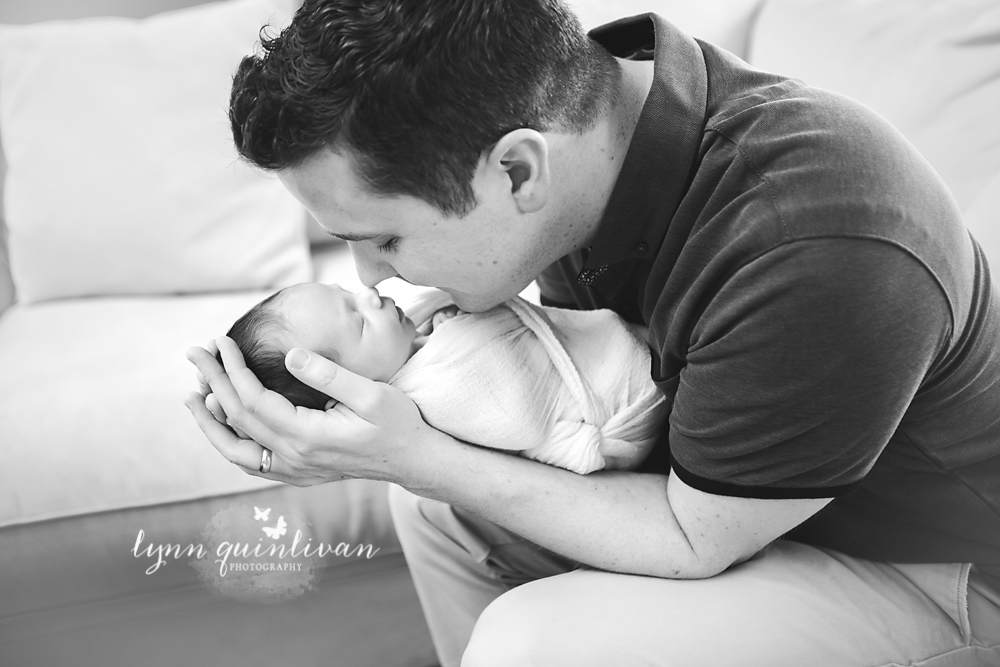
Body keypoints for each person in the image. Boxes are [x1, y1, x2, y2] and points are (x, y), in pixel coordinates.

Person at [184, 1, 1000, 665]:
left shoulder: (812, 238)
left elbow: (695, 536)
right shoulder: (594, 130)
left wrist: (418, 456)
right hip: (763, 505)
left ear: (516, 170)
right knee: (439, 510)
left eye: (385, 238)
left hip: (938, 566)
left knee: (533, 643)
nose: (372, 279)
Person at [220, 282, 666, 473]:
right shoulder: (432, 393)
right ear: (343, 392)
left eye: (349, 294)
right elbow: (519, 422)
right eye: (358, 321)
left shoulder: (408, 342)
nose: (370, 295)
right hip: (623, 402)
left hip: (614, 347)